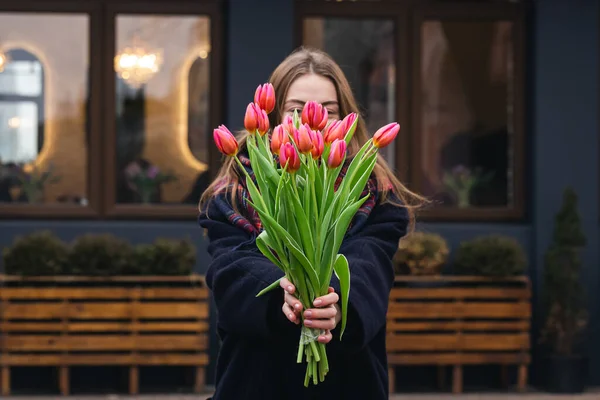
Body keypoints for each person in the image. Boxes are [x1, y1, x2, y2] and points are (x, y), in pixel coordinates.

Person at [198, 47, 425, 400]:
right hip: (255, 382)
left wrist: (329, 299)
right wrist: (282, 294)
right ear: (272, 116)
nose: (309, 120)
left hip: (347, 380)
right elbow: (229, 271)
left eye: (328, 111)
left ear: (346, 119)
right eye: (296, 110)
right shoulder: (233, 193)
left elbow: (369, 265)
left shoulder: (373, 193)